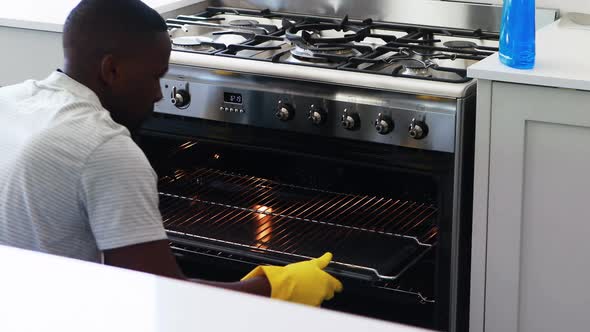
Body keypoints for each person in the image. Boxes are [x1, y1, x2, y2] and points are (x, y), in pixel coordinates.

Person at [0, 0, 342, 307]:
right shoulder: (104, 148)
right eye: (154, 77)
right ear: (111, 70)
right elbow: (162, 301)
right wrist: (274, 288)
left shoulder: (9, 100)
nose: (157, 95)